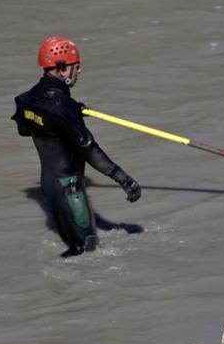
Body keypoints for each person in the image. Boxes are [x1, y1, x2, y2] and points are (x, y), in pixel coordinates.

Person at [12, 36, 142, 257]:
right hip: (70, 189)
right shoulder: (64, 108)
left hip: (49, 188)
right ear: (62, 69)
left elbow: (24, 130)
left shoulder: (25, 100)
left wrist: (70, 113)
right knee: (86, 250)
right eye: (76, 66)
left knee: (71, 246)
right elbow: (90, 151)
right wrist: (125, 180)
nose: (79, 72)